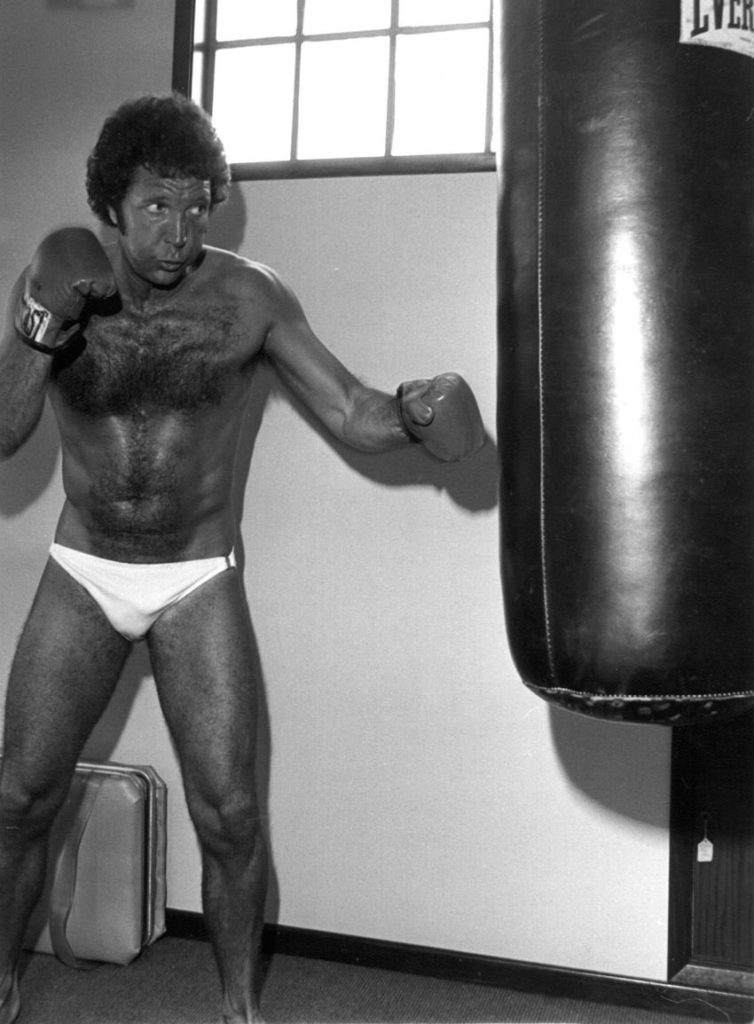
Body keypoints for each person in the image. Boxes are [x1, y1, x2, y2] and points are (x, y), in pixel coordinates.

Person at [0, 93, 485, 1024]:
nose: (181, 232)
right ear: (109, 202)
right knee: (19, 799)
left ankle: (237, 1011)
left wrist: (419, 410)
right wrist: (35, 317)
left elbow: (351, 411)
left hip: (195, 578)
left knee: (230, 820)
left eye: (197, 205)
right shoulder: (62, 278)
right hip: (83, 569)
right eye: (156, 206)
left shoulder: (249, 297)